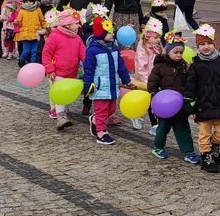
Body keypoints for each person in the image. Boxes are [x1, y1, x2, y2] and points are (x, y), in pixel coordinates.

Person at [185, 24, 220, 173]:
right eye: (202, 44)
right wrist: (190, 107)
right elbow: (190, 88)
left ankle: (213, 147)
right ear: (198, 47)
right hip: (203, 106)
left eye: (209, 43)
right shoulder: (195, 66)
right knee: (204, 133)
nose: (206, 47)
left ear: (214, 44)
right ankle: (206, 156)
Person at [147, 32, 199, 163]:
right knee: (163, 128)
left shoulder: (184, 67)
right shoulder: (159, 67)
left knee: (183, 129)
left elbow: (189, 85)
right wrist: (155, 96)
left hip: (179, 104)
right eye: (176, 52)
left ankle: (188, 151)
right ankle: (158, 147)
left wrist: (189, 102)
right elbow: (152, 84)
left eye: (181, 52)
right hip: (164, 105)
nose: (179, 55)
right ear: (168, 51)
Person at [82, 16, 130, 145]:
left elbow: (120, 65)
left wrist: (126, 79)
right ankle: (101, 133)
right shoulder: (93, 50)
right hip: (100, 86)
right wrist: (87, 84)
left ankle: (95, 120)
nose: (112, 34)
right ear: (100, 34)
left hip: (112, 85)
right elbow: (88, 69)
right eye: (109, 32)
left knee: (111, 109)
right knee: (102, 110)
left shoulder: (114, 48)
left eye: (112, 32)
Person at [42, 8, 86, 130]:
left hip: (72, 72)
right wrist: (50, 69)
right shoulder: (54, 36)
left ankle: (64, 113)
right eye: (76, 23)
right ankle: (61, 117)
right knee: (61, 94)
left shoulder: (77, 38)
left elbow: (84, 54)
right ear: (67, 24)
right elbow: (46, 54)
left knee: (67, 95)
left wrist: (89, 63)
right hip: (58, 72)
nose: (78, 25)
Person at [131, 19, 164, 133]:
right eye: (155, 37)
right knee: (148, 101)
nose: (158, 40)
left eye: (159, 37)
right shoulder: (142, 48)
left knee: (152, 101)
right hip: (146, 80)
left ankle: (154, 124)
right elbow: (141, 66)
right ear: (147, 37)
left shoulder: (157, 46)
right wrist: (148, 81)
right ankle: (151, 123)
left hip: (156, 79)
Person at [13, 0, 45, 67]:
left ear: (34, 1)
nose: (28, 3)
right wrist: (16, 22)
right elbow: (19, 22)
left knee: (34, 51)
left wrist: (46, 28)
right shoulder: (22, 11)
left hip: (36, 34)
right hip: (25, 35)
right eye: (26, 1)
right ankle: (21, 61)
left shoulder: (38, 10)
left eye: (30, 1)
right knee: (26, 51)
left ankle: (32, 66)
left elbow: (42, 21)